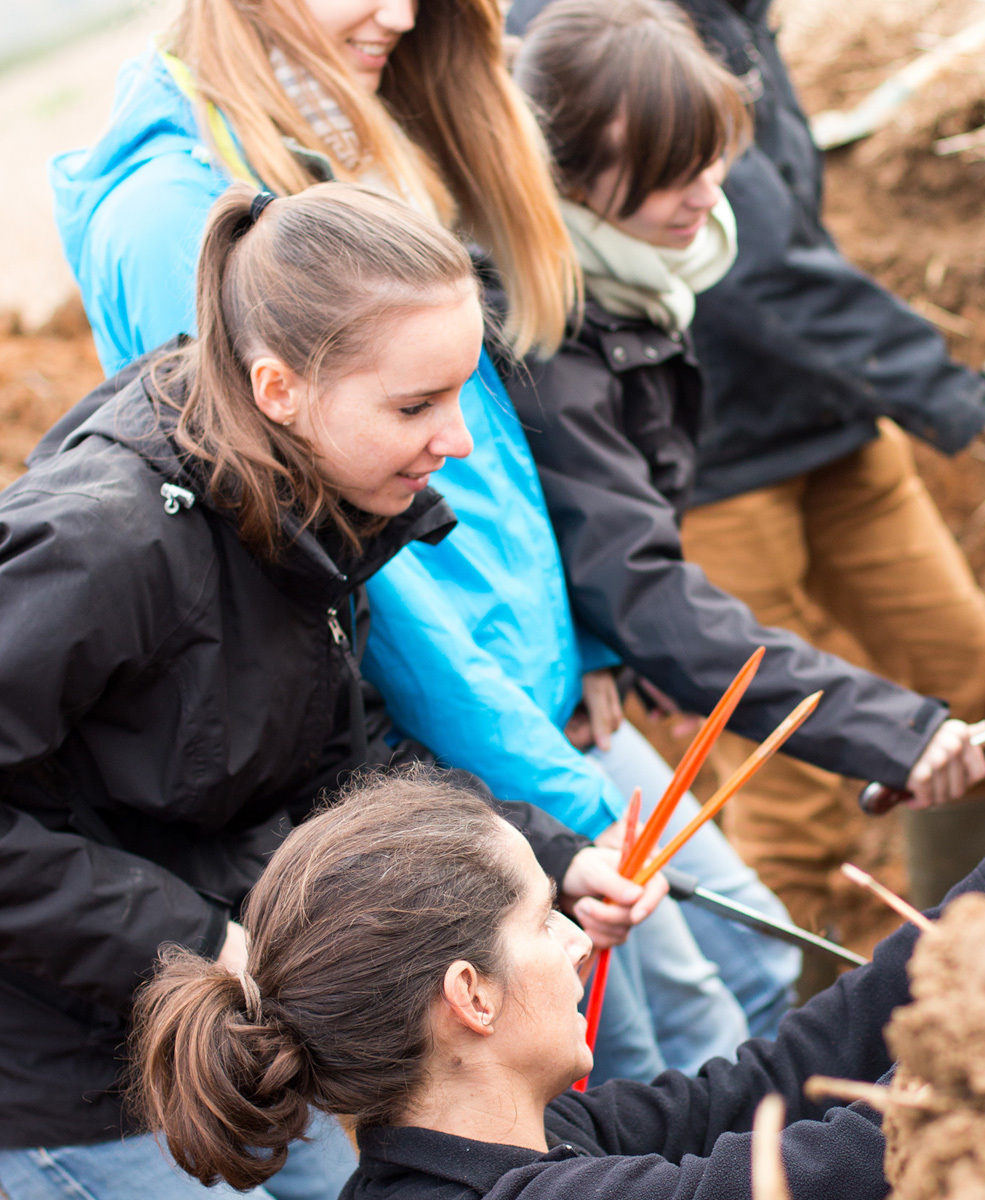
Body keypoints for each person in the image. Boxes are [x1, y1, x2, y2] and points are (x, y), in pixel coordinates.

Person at [50, 0, 802, 1083]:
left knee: (703, 1020)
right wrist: (557, 805)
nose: (403, 13)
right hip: (479, 749)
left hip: (527, 714)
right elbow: (369, 618)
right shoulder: (179, 228)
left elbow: (478, 469)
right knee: (643, 1059)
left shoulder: (357, 123)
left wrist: (580, 652)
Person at [0, 182, 665, 1200]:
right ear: (280, 387)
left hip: (234, 1008)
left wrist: (554, 859)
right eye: (414, 407)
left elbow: (338, 768)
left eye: (460, 393)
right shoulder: (104, 543)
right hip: (64, 1076)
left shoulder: (299, 498)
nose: (460, 442)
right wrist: (196, 938)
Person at [506, 0, 985, 930]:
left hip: (831, 429)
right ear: (570, 179)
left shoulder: (715, 66)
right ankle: (848, 1025)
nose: (712, 195)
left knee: (981, 688)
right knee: (791, 807)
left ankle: (983, 944)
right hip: (722, 486)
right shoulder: (552, 317)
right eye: (674, 177)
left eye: (716, 164)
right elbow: (638, 579)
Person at [129, 765, 985, 1200]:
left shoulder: (527, 1141)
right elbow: (832, 1166)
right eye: (541, 919)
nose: (578, 942)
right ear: (471, 996)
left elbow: (780, 1083)